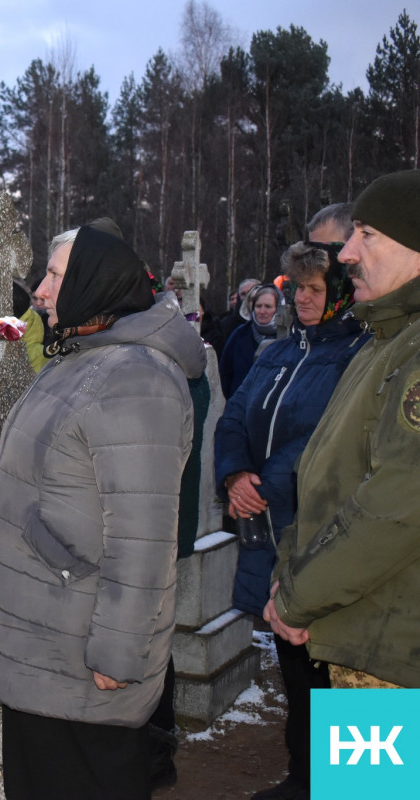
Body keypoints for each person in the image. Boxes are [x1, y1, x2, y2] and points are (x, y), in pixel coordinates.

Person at [0, 224, 205, 800]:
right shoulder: (87, 357)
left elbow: (142, 536)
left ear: (95, 283)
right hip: (45, 637)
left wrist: (119, 652)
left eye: (56, 275)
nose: (39, 289)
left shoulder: (136, 377)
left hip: (80, 649)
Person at [215, 236, 368, 800]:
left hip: (326, 535)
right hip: (273, 536)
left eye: (314, 289)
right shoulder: (279, 351)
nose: (302, 299)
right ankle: (306, 776)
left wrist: (263, 486)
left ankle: (346, 784)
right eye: (297, 288)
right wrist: (234, 475)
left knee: (338, 670)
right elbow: (233, 416)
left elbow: (327, 442)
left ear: (340, 295)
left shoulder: (357, 354)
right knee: (295, 663)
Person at [268, 169, 420, 694]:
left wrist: (297, 596)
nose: (348, 253)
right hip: (362, 633)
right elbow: (324, 474)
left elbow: (396, 507)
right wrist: (290, 571)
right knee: (354, 781)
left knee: (369, 782)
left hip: (393, 651)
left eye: (367, 234)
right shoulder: (385, 337)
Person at [219, 283, 283, 398]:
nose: (262, 311)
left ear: (278, 308)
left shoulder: (286, 337)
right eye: (258, 306)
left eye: (268, 306)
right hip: (240, 405)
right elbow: (225, 372)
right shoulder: (240, 334)